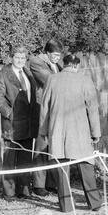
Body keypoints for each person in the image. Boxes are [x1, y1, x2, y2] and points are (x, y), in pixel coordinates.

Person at [39, 54, 102, 212]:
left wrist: (43, 131)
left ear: (64, 64)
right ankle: (94, 203)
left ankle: (66, 206)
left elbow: (44, 108)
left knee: (61, 169)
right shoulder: (84, 80)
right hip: (80, 131)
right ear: (76, 66)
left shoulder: (52, 79)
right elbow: (92, 109)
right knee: (86, 166)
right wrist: (95, 132)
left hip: (57, 130)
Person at [0, 46, 39, 201]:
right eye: (17, 57)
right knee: (10, 159)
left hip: (28, 124)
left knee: (26, 158)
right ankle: (9, 193)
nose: (20, 60)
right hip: (12, 126)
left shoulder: (28, 73)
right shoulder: (2, 74)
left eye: (23, 58)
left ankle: (24, 190)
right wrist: (9, 113)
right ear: (11, 58)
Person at [28, 38, 63, 197]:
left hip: (56, 109)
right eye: (54, 55)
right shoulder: (36, 62)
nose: (57, 58)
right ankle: (38, 185)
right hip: (43, 109)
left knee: (54, 146)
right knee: (41, 147)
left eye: (59, 55)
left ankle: (52, 183)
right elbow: (51, 81)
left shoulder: (56, 65)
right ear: (47, 53)